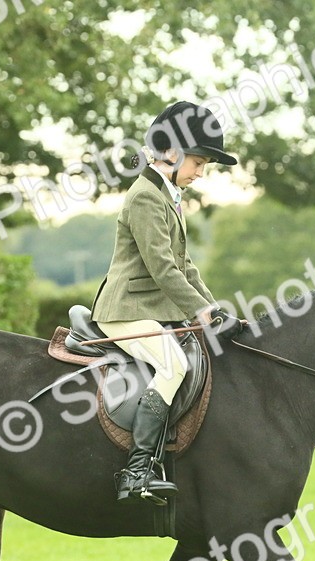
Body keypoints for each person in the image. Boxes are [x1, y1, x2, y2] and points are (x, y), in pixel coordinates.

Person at [91, 101, 245, 505]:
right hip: (126, 311)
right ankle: (137, 471)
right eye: (198, 162)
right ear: (172, 153)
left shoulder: (167, 195)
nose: (200, 172)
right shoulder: (144, 196)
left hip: (151, 310)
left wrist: (215, 308)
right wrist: (199, 311)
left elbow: (185, 266)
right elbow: (162, 269)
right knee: (173, 364)